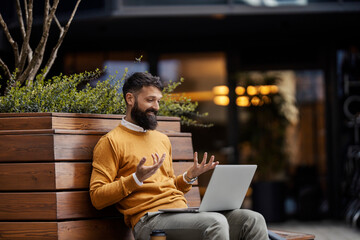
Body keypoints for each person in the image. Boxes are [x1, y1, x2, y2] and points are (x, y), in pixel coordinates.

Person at [89, 72, 268, 240]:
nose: (156, 107)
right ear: (130, 99)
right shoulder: (111, 142)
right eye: (150, 100)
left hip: (179, 213)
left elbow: (168, 186)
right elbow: (97, 197)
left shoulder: (161, 139)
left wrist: (189, 177)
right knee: (215, 222)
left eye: (158, 101)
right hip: (148, 220)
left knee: (252, 219)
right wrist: (135, 178)